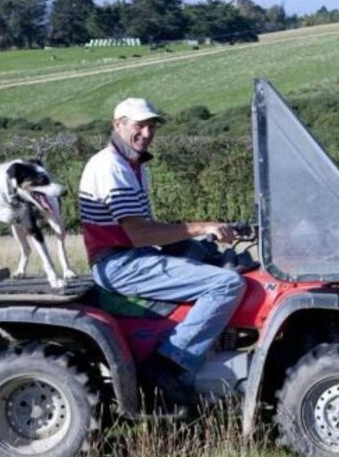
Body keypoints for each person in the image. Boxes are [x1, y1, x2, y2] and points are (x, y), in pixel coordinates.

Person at [79, 97, 246, 403]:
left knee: (209, 256)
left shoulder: (135, 165)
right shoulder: (110, 166)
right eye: (140, 125)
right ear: (118, 125)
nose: (147, 133)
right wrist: (201, 227)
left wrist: (200, 240)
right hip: (118, 263)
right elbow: (139, 233)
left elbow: (146, 228)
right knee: (227, 284)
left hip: (132, 255)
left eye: (152, 126)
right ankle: (168, 364)